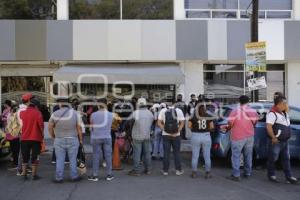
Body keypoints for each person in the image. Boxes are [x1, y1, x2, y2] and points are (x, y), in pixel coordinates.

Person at [48, 97, 83, 183]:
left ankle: (59, 178)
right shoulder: (75, 114)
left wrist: (53, 136)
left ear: (60, 104)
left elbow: (50, 127)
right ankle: (74, 176)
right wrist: (81, 140)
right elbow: (79, 128)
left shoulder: (54, 114)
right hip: (73, 139)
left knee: (60, 159)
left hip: (59, 139)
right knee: (73, 159)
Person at [266, 96, 298, 184]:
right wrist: (273, 137)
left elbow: (287, 114)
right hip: (276, 141)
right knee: (273, 158)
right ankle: (271, 174)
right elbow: (268, 126)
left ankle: (289, 177)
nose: (286, 105)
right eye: (284, 103)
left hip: (285, 141)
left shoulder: (284, 112)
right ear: (279, 104)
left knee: (286, 159)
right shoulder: (272, 113)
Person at [227, 95, 258, 181]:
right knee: (248, 155)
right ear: (248, 101)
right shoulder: (253, 111)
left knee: (236, 155)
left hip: (238, 136)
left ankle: (236, 175)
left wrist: (229, 127)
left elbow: (230, 123)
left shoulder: (235, 111)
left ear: (239, 102)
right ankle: (247, 173)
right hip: (250, 136)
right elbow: (255, 122)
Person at [88, 98, 115, 182]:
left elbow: (91, 127)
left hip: (96, 137)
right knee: (108, 156)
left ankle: (95, 175)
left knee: (95, 156)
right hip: (107, 136)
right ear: (106, 104)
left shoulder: (93, 115)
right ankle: (109, 174)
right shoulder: (111, 115)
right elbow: (112, 126)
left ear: (98, 105)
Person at [20, 94, 44, 180]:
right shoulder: (38, 113)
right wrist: (42, 135)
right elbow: (41, 126)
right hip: (36, 139)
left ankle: (24, 174)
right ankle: (34, 175)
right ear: (36, 105)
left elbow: (20, 125)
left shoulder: (22, 113)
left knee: (25, 157)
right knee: (35, 157)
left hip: (24, 139)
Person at [157, 102, 185, 176]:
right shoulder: (179, 110)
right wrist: (177, 132)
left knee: (166, 153)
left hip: (166, 135)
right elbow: (182, 123)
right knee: (177, 153)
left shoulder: (163, 111)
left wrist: (165, 130)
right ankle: (178, 170)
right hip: (176, 135)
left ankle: (165, 170)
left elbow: (159, 123)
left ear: (166, 104)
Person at [128, 98, 154, 176]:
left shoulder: (135, 113)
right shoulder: (150, 113)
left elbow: (129, 124)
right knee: (147, 153)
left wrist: (129, 133)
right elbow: (152, 123)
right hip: (147, 136)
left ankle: (136, 171)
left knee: (137, 154)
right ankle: (148, 170)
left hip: (137, 136)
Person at [189, 103, 214, 179]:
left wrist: (194, 130)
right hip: (206, 136)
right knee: (207, 156)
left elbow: (189, 126)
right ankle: (208, 173)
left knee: (195, 156)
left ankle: (194, 173)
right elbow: (212, 127)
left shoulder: (193, 116)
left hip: (195, 135)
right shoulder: (208, 116)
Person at [6, 104, 21, 170]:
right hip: (15, 135)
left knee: (14, 150)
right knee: (16, 150)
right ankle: (16, 163)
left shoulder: (10, 115)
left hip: (12, 135)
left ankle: (16, 163)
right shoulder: (14, 115)